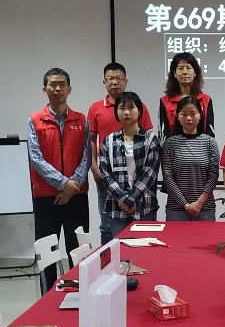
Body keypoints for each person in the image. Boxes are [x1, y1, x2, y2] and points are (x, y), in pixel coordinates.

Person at [26, 67, 89, 292]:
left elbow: (86, 156)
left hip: (76, 197)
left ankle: (80, 298)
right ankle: (47, 301)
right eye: (53, 84)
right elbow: (36, 158)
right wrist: (63, 184)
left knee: (78, 253)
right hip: (46, 199)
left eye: (62, 84)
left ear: (69, 89)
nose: (58, 88)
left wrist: (71, 188)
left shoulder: (81, 119)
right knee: (47, 257)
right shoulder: (35, 120)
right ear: (45, 89)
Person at [88, 62, 153, 244]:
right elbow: (91, 140)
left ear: (125, 81)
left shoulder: (139, 106)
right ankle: (108, 261)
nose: (115, 82)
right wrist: (95, 168)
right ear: (104, 82)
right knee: (107, 226)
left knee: (141, 231)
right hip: (107, 176)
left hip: (137, 182)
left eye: (119, 78)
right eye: (110, 79)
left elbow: (148, 141)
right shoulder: (95, 108)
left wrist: (130, 197)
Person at [98, 91, 161, 239]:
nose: (126, 112)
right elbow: (105, 173)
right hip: (116, 206)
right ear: (116, 112)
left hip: (144, 206)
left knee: (145, 249)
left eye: (131, 107)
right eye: (122, 108)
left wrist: (131, 199)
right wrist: (122, 198)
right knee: (121, 249)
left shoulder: (151, 140)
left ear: (139, 111)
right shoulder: (109, 140)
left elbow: (150, 174)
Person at [160, 96, 219, 220]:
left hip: (205, 208)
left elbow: (213, 176)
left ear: (200, 115)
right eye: (184, 114)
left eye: (193, 114)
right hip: (176, 209)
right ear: (177, 116)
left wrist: (198, 204)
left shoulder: (210, 142)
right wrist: (186, 205)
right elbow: (168, 178)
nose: (188, 118)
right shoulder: (170, 143)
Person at [157, 52, 214, 137]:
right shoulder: (165, 101)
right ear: (174, 73)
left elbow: (210, 132)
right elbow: (163, 134)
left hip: (201, 145)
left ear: (195, 73)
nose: (184, 72)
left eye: (188, 68)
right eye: (180, 68)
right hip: (172, 145)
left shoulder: (206, 100)